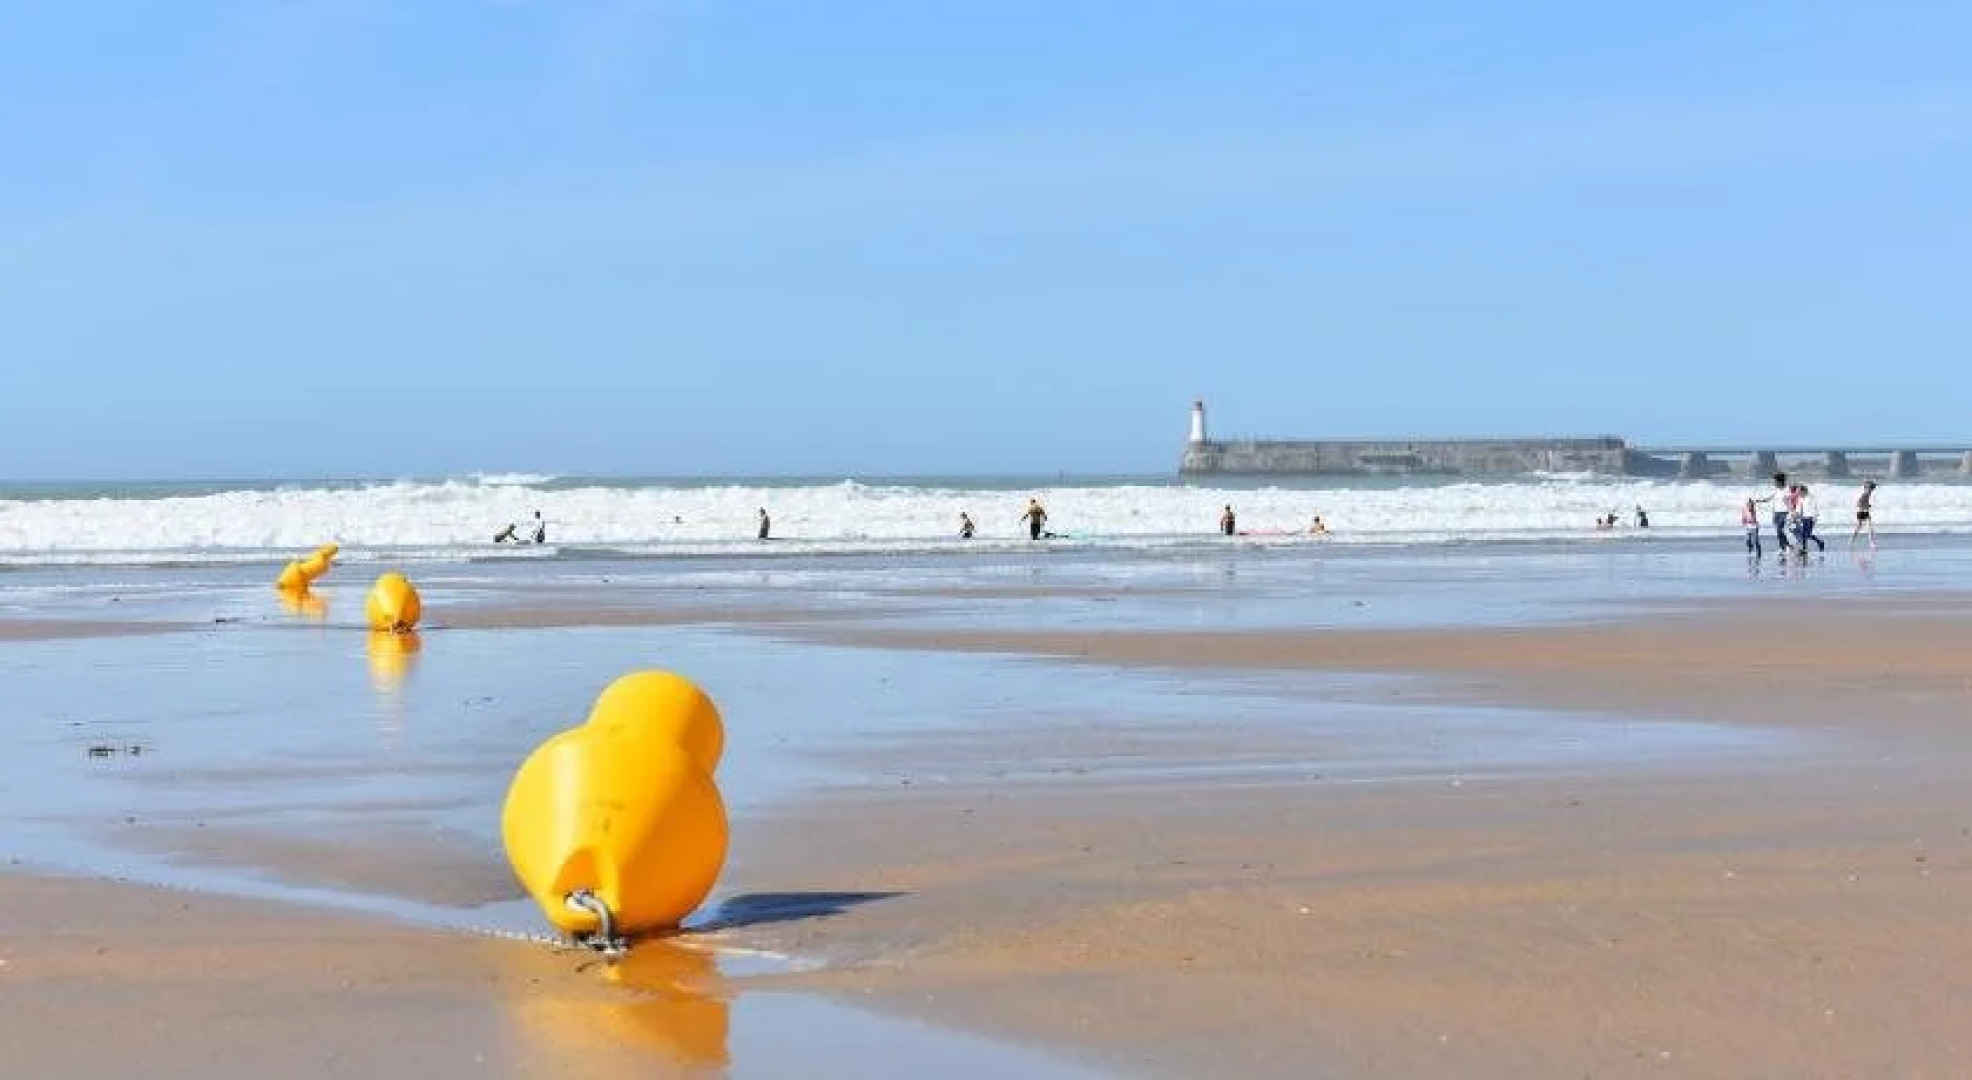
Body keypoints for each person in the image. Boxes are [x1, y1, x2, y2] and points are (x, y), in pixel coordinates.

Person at [1758, 472, 1792, 555]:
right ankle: (1784, 547)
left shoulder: (1787, 489)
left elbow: (1788, 501)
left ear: (1779, 481)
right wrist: (1761, 500)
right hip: (1776, 513)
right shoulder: (1776, 489)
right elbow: (1771, 498)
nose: (1774, 483)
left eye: (1775, 481)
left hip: (1784, 513)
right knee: (1778, 532)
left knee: (1780, 531)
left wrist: (1792, 512)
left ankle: (1786, 547)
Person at [1795, 484, 1825, 553]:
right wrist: (1796, 516)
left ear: (1803, 491)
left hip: (1810, 518)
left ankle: (1819, 542)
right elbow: (1798, 508)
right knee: (1803, 534)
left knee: (1807, 534)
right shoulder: (1800, 498)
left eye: (1799, 492)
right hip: (1803, 518)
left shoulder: (1811, 497)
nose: (1798, 493)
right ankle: (1805, 548)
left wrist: (1815, 517)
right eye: (1798, 492)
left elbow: (1815, 508)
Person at [1852, 480, 1878, 548]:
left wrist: (1868, 505)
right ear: (1868, 488)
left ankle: (1852, 540)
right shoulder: (1866, 494)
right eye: (1871, 488)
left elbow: (1862, 502)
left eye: (1872, 489)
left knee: (1865, 527)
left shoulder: (1867, 493)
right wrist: (1865, 506)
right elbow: (1859, 502)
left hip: (1864, 511)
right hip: (1862, 512)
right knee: (1863, 527)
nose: (1872, 490)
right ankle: (1872, 544)